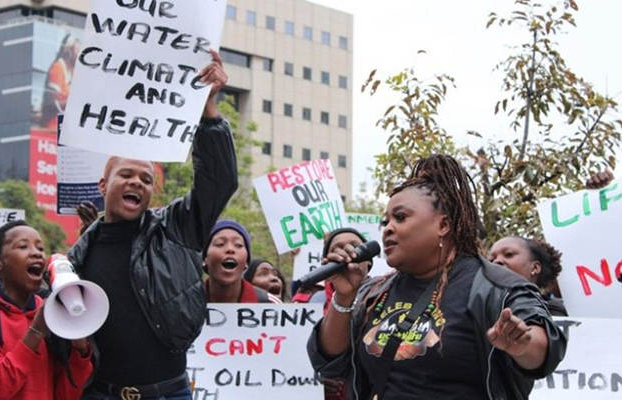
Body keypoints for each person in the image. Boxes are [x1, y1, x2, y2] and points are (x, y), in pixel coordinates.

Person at [308, 154, 566, 400]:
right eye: (385, 222)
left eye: (400, 217)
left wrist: (521, 345)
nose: (388, 229)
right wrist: (344, 297)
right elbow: (330, 363)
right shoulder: (373, 292)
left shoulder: (498, 287)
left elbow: (544, 350)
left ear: (443, 225)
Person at [68, 50, 238, 400]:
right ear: (103, 185)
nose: (137, 182)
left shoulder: (176, 229)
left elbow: (218, 181)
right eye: (126, 175)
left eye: (146, 179)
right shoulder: (77, 256)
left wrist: (207, 110)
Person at [0, 220, 93, 400]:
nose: (36, 253)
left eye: (40, 248)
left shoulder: (52, 312)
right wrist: (35, 332)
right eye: (23, 246)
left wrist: (80, 350)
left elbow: (66, 395)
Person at [203, 221, 281, 304]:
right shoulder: (192, 301)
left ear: (246, 262)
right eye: (220, 244)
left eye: (238, 245)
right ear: (205, 258)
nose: (230, 249)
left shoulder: (271, 304)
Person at [489, 237, 567, 316]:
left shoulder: (551, 311)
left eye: (509, 254)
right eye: (491, 260)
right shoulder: (485, 310)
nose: (496, 261)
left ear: (535, 268)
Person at [40, 34, 80, 130]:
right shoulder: (57, 68)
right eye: (77, 50)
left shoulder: (72, 70)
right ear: (68, 51)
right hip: (52, 126)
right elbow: (50, 104)